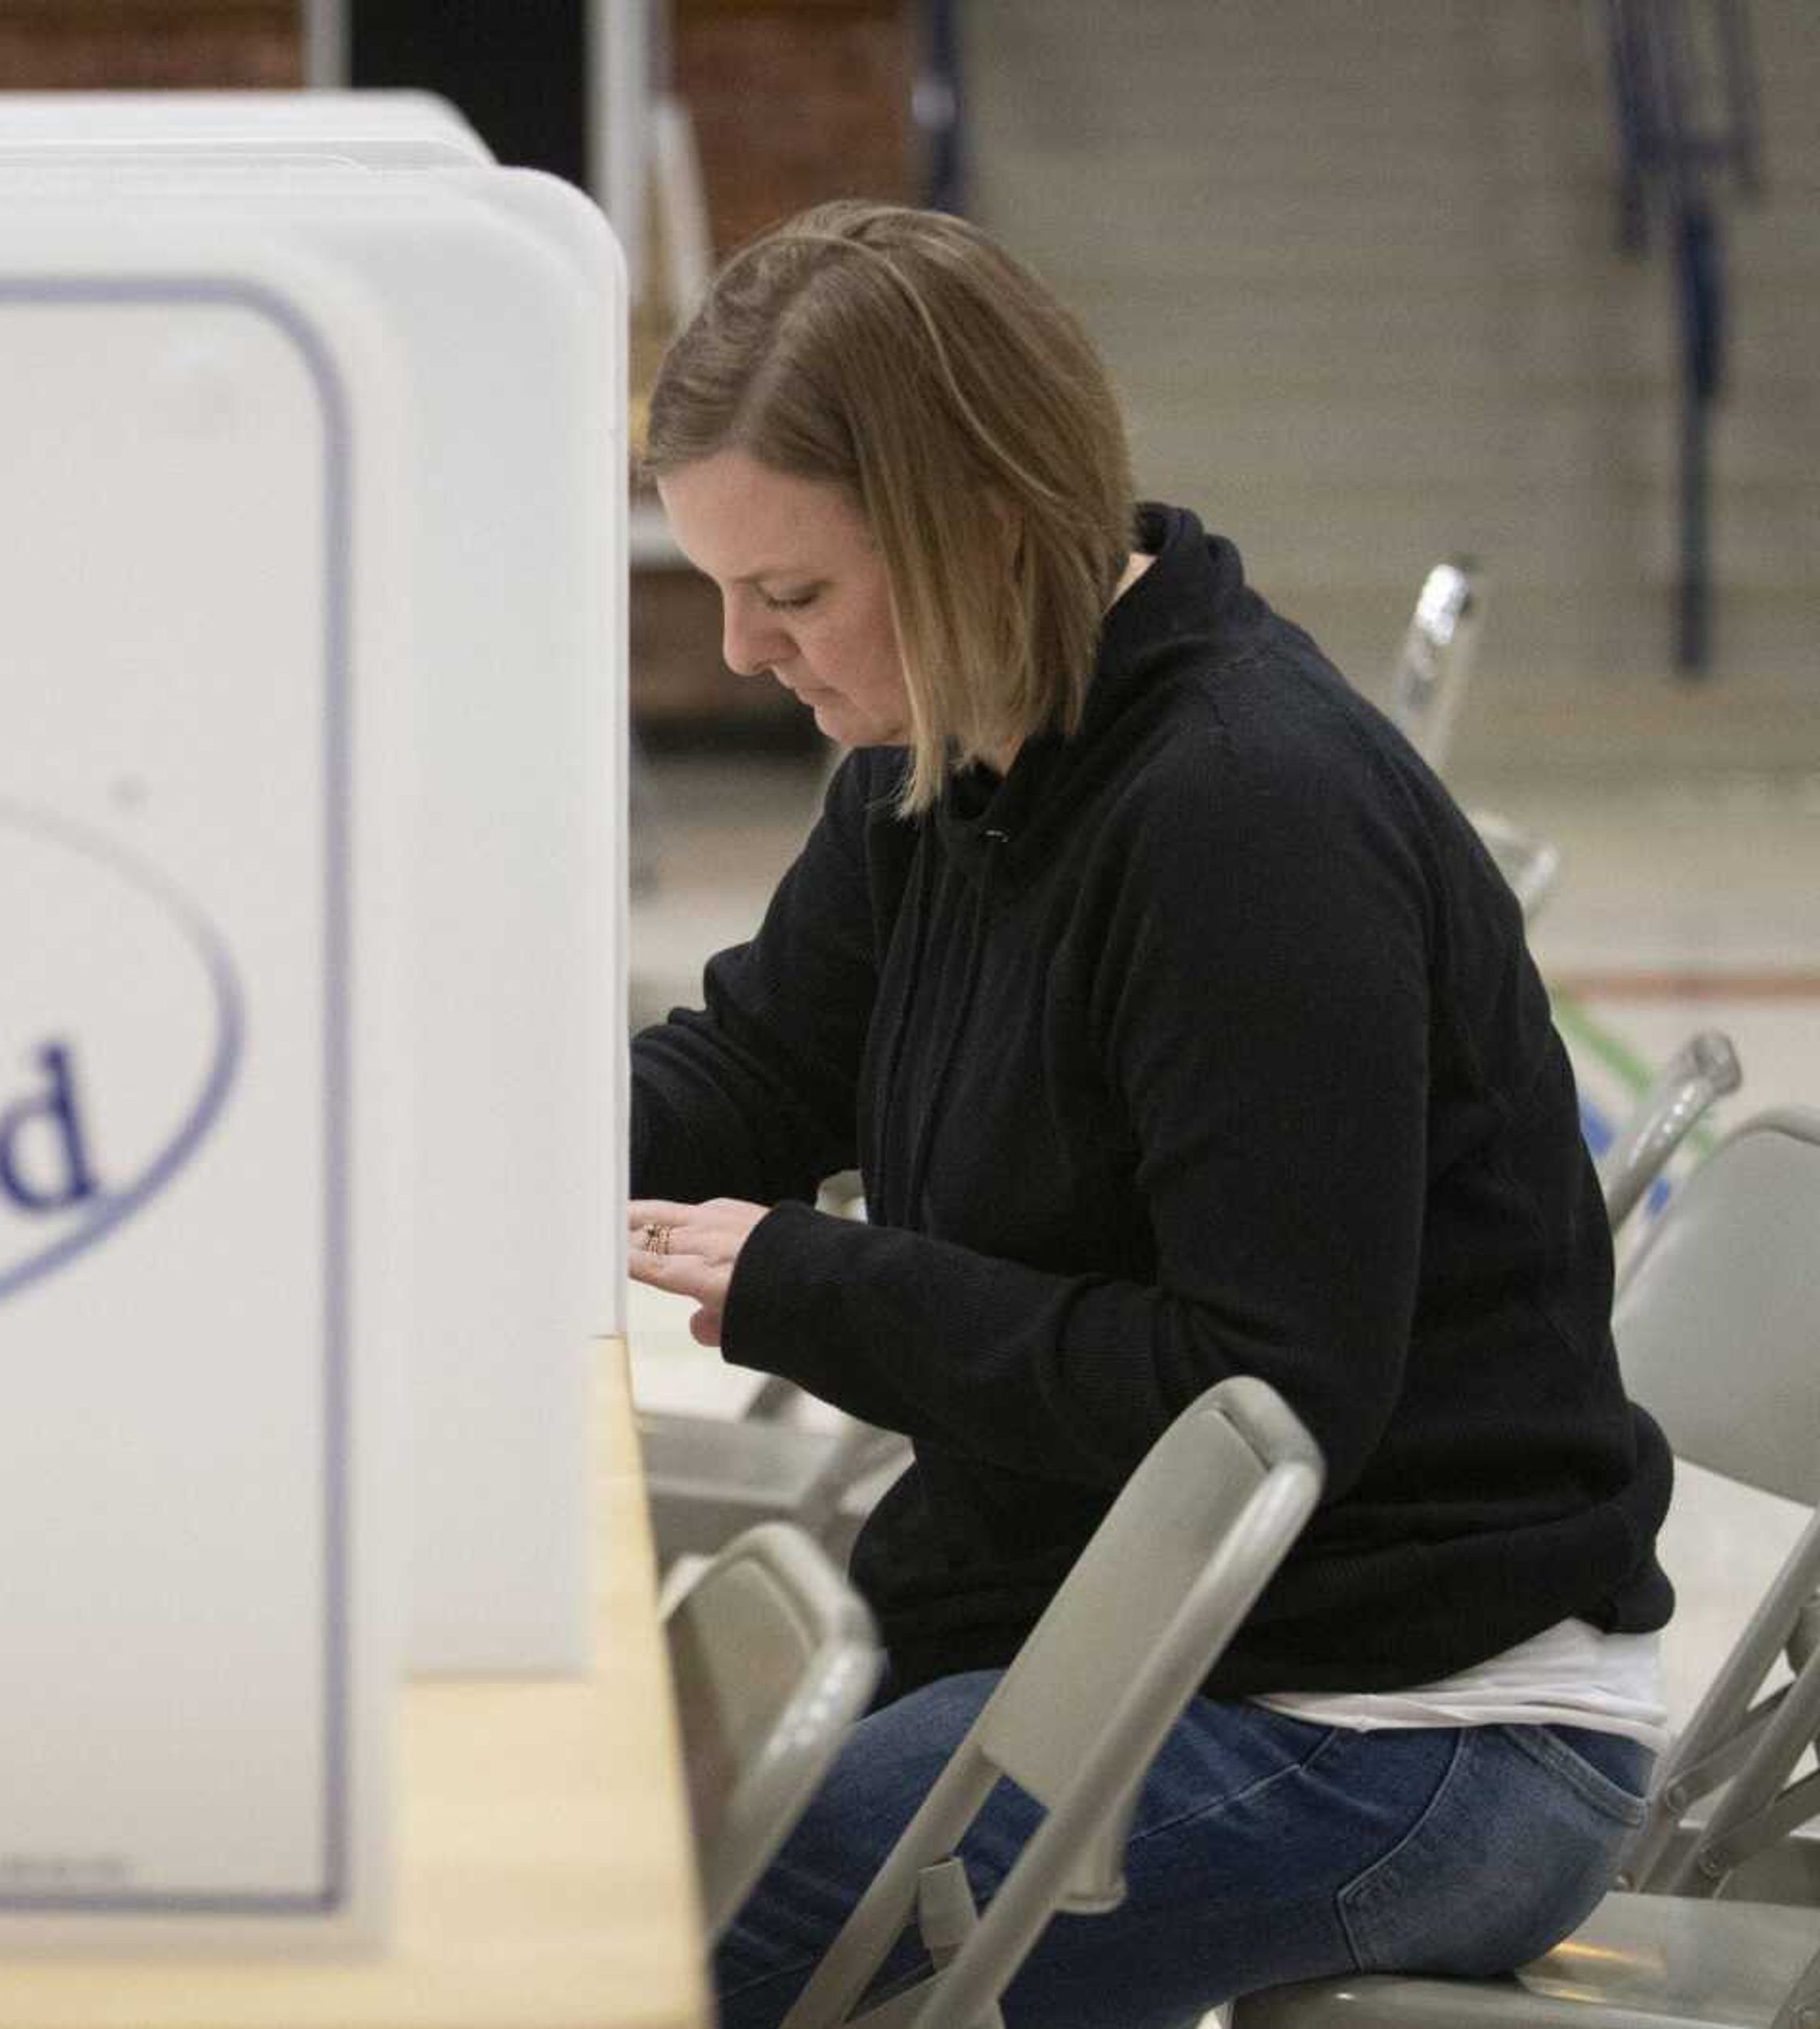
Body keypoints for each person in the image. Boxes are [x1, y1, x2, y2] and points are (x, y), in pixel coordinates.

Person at [627, 200, 1675, 2029]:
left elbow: (1260, 1405)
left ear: (973, 527)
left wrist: (823, 1286)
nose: (737, 651)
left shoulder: (1242, 819)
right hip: (1153, 1635)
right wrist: (460, 1144)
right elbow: (758, 1068)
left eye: (788, 593)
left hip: (1412, 1725)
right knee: (625, 1836)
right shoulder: (945, 740)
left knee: (658, 1940)